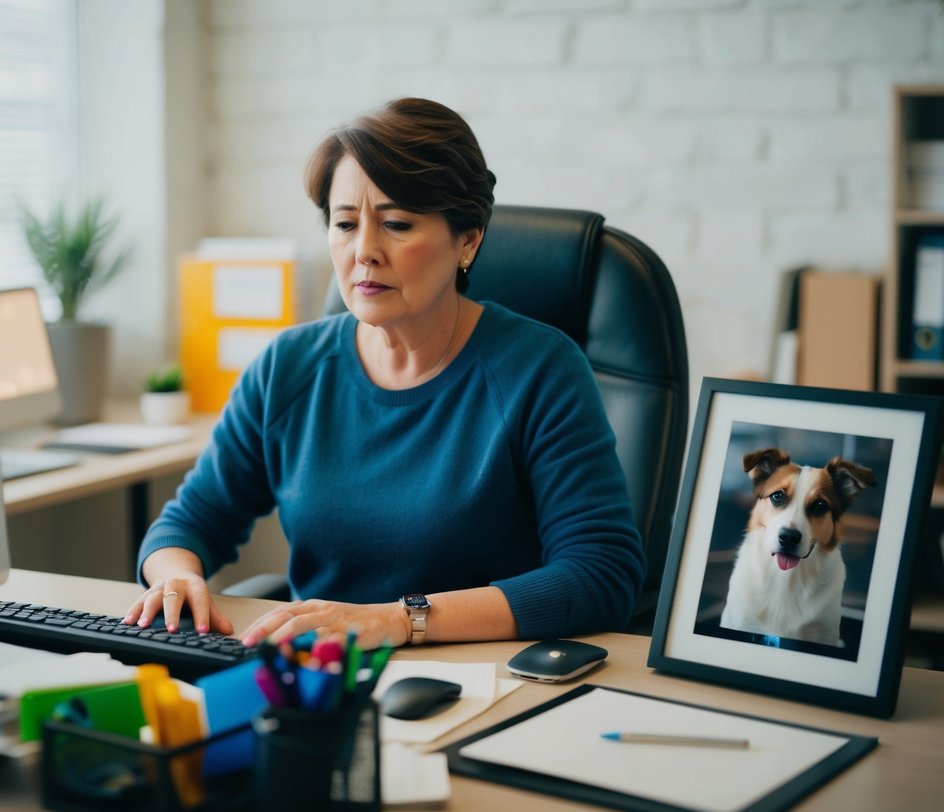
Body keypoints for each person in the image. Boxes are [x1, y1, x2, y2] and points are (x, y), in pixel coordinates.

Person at [124, 97, 644, 649]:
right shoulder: (289, 367)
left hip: (488, 681)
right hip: (324, 680)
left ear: (467, 240)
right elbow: (187, 524)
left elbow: (601, 575)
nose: (364, 252)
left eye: (396, 223)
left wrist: (400, 619)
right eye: (345, 224)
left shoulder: (541, 369)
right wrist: (176, 574)